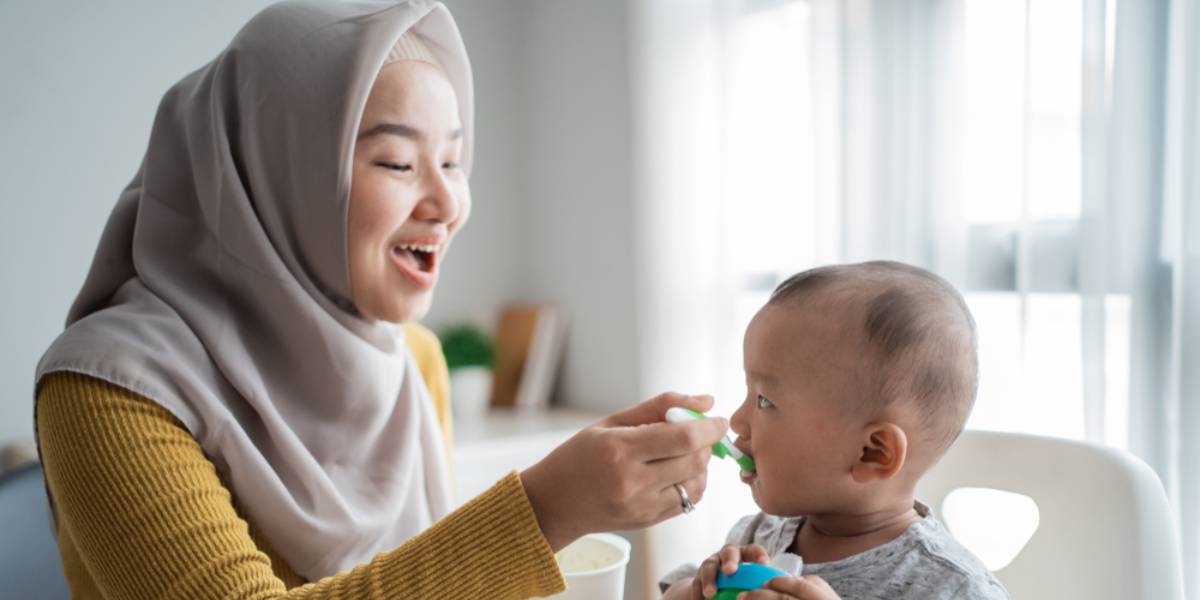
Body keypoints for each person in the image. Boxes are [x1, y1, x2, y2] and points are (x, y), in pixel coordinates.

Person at [33, 2, 727, 598]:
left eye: (453, 160)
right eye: (397, 162)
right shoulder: (105, 387)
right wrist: (546, 509)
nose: (449, 202)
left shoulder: (411, 361)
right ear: (274, 177)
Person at [660, 261, 1009, 599]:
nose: (736, 421)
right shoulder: (755, 537)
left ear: (872, 452)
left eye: (765, 401)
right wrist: (698, 591)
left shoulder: (953, 588)